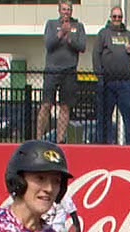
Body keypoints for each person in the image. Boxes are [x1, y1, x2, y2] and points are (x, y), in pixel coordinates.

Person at [37, 2, 87, 143]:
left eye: (69, 9)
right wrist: (60, 34)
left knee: (65, 106)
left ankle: (60, 140)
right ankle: (39, 138)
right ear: (59, 10)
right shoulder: (51, 25)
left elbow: (82, 47)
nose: (66, 12)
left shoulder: (78, 27)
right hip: (52, 70)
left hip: (69, 71)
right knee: (46, 104)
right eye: (64, 9)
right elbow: (48, 44)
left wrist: (70, 39)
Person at [92, 4, 130, 145]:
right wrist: (99, 76)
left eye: (119, 17)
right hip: (107, 81)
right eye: (114, 17)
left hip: (125, 82)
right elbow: (96, 55)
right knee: (104, 116)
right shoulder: (103, 34)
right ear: (111, 17)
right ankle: (103, 144)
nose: (117, 19)